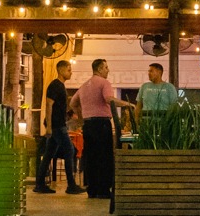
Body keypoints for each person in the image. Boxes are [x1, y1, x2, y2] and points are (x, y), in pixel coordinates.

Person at [69, 59, 132, 199]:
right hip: (102, 124)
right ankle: (103, 190)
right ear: (99, 69)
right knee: (104, 157)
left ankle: (92, 190)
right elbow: (109, 99)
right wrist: (127, 104)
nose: (108, 70)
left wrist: (81, 117)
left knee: (91, 157)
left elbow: (73, 103)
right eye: (106, 67)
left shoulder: (84, 85)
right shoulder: (104, 83)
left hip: (88, 125)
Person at [35, 60, 86, 195]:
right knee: (70, 150)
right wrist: (49, 127)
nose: (71, 72)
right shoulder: (55, 85)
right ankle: (71, 185)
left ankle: (39, 184)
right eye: (69, 70)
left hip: (58, 123)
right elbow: (49, 105)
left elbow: (57, 107)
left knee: (49, 154)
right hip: (57, 125)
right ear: (61, 70)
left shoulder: (60, 86)